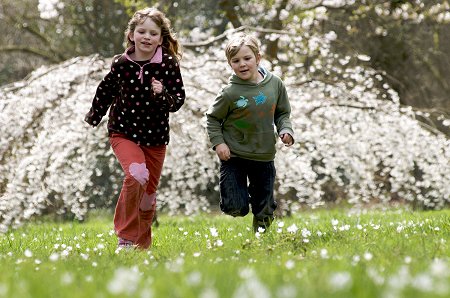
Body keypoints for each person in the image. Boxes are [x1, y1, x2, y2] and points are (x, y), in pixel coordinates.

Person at [85, 7, 185, 249]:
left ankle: (142, 244)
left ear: (161, 39)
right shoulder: (121, 64)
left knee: (148, 194)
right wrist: (94, 115)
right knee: (136, 174)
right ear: (131, 34)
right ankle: (126, 239)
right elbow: (105, 89)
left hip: (156, 137)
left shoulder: (168, 64)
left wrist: (163, 94)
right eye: (142, 31)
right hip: (123, 131)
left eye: (153, 33)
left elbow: (178, 100)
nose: (147, 37)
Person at [206, 33, 294, 233]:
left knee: (265, 207)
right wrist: (219, 143)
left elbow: (282, 113)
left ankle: (261, 239)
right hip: (234, 155)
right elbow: (212, 118)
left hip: (264, 154)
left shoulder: (275, 84)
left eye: (247, 58)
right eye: (236, 61)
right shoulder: (229, 93)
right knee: (235, 207)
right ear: (230, 64)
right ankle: (240, 197)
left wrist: (286, 130)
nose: (242, 64)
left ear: (258, 58)